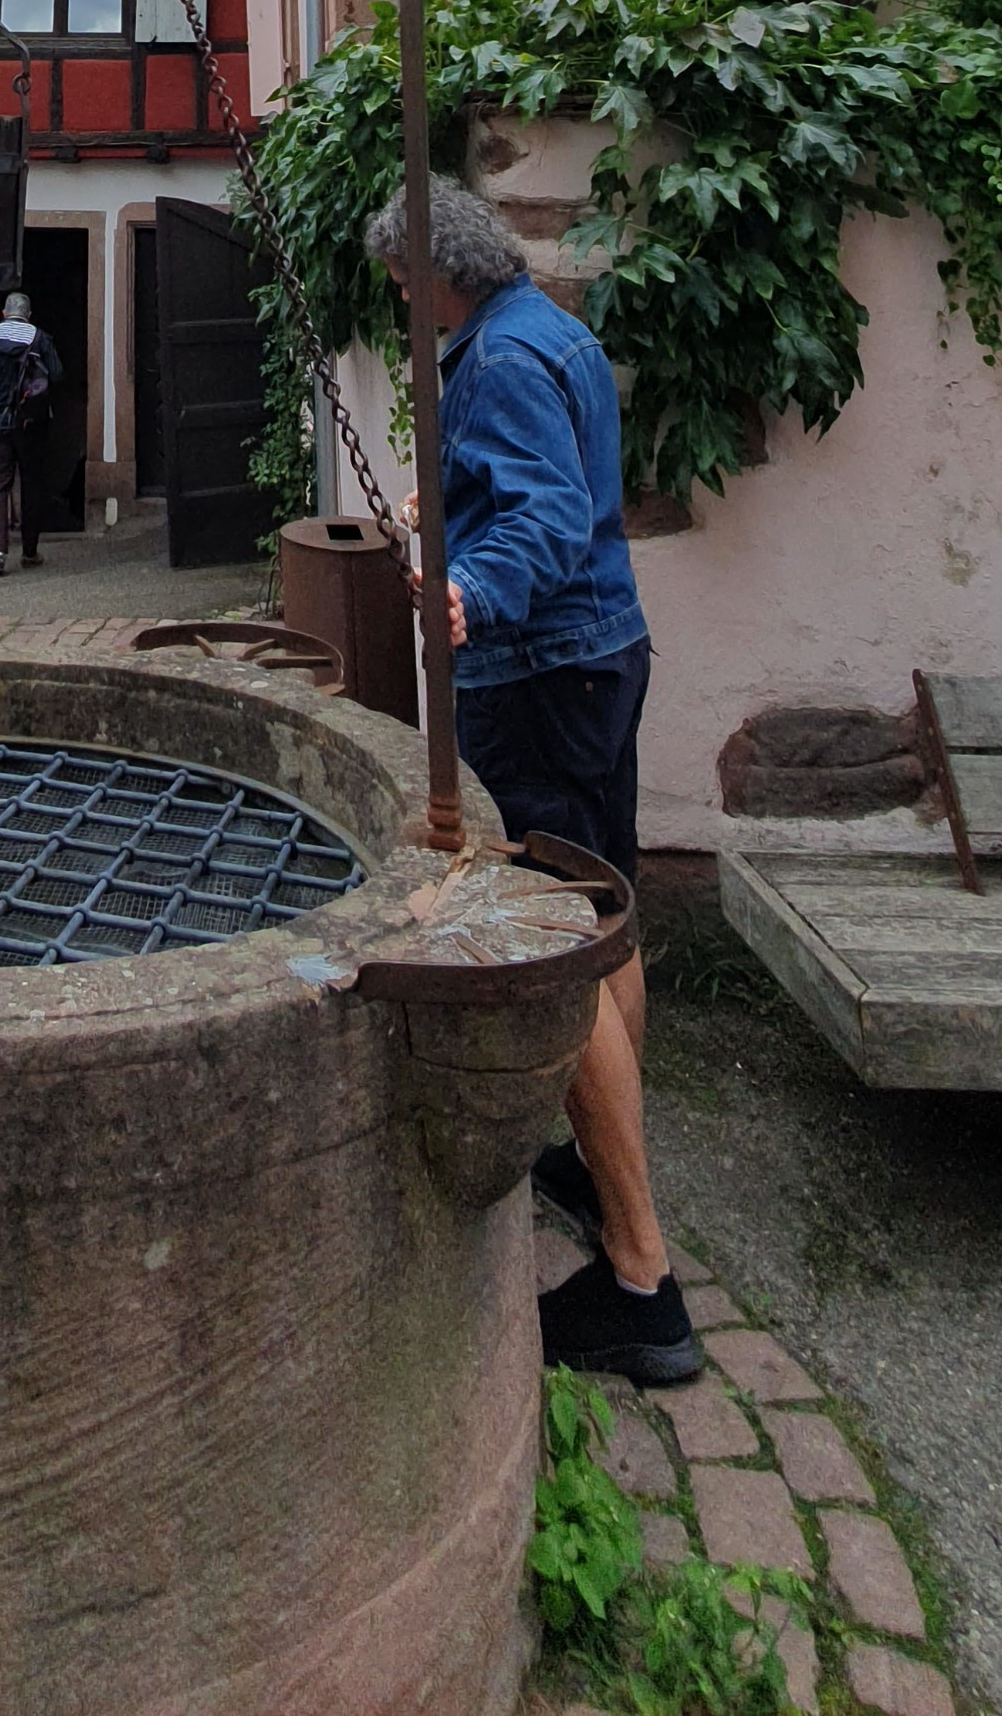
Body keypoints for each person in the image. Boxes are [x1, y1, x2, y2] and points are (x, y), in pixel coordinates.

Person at [366, 176, 699, 1388]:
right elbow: (532, 486)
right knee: (605, 916)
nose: (400, 297)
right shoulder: (541, 329)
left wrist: (468, 590)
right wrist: (443, 503)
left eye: (402, 279)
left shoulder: (494, 361)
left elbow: (546, 518)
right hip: (602, 655)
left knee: (549, 941)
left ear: (435, 267)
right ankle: (592, 1156)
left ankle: (638, 1282)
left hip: (541, 669)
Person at [0, 289, 63, 577]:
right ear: (28, 316)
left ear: (4, 314)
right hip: (30, 423)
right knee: (31, 484)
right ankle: (29, 552)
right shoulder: (38, 337)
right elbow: (56, 374)